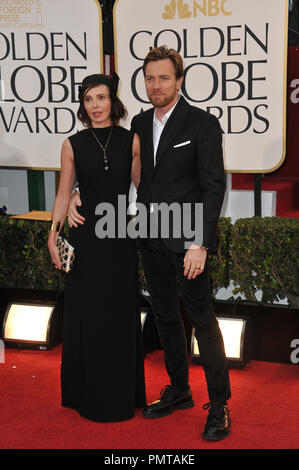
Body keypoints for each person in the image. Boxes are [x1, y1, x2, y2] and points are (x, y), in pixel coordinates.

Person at [69, 47, 231, 440]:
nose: (155, 85)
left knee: (203, 319)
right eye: (149, 78)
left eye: (163, 78)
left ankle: (220, 406)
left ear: (179, 80)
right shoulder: (139, 123)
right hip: (150, 237)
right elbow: (112, 167)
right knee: (165, 316)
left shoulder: (202, 124)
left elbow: (213, 187)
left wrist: (201, 243)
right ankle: (179, 389)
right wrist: (77, 192)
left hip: (189, 239)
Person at [47, 73, 146, 422]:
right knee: (87, 316)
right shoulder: (71, 144)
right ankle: (86, 394)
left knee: (118, 315)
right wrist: (53, 233)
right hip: (85, 238)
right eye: (88, 100)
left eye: (101, 98)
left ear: (113, 101)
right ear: (82, 104)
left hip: (119, 238)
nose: (95, 106)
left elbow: (143, 188)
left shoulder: (131, 140)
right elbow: (63, 193)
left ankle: (122, 394)